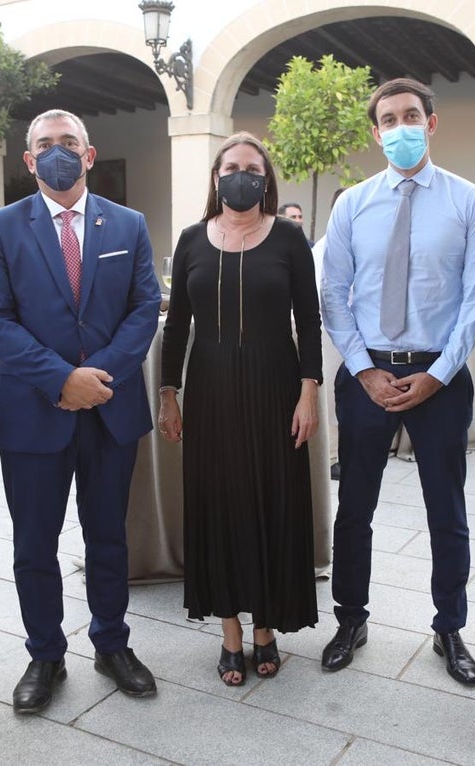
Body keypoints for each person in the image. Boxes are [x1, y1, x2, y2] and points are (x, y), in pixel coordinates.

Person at [0, 109, 162, 713]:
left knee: (108, 537)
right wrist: (61, 379)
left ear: (89, 153)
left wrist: (95, 377)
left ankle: (112, 643)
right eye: (45, 145)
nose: (58, 152)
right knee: (35, 543)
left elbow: (144, 306)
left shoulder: (127, 224)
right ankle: (45, 654)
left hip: (109, 408)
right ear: (29, 160)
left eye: (68, 143)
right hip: (33, 413)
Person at [320, 79, 475, 685]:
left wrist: (440, 374)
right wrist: (365, 370)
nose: (400, 127)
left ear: (432, 123)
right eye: (388, 119)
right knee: (354, 508)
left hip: (439, 375)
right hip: (367, 373)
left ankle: (450, 626)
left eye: (411, 116)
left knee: (446, 509)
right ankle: (350, 618)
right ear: (376, 132)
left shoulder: (469, 202)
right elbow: (333, 295)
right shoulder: (352, 205)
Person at [159, 132, 322, 686]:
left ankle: (265, 628)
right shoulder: (190, 240)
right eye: (231, 166)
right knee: (219, 504)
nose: (241, 175)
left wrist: (309, 390)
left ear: (266, 178)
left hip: (276, 386)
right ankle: (230, 632)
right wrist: (168, 393)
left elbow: (310, 320)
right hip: (209, 390)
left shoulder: (290, 239)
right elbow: (177, 323)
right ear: (215, 177)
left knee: (271, 501)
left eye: (252, 167)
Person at [310, 187, 348, 481]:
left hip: (356, 335)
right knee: (331, 399)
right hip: (328, 332)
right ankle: (331, 454)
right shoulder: (323, 248)